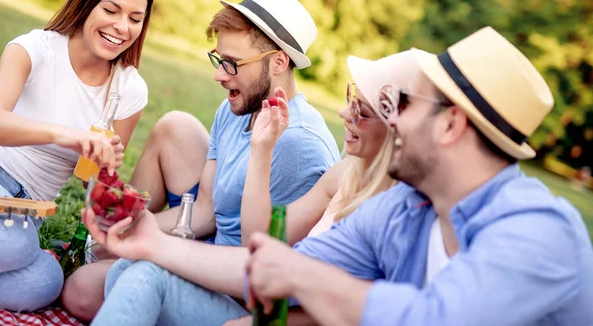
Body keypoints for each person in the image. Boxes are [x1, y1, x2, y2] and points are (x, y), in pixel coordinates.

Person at [243, 27, 593, 326]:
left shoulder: (540, 231)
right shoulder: (411, 205)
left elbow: (432, 319)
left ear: (451, 124)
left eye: (408, 105)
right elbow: (270, 265)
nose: (393, 120)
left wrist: (299, 275)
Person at [63, 0, 341, 321]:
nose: (218, 75)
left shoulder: (301, 145)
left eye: (233, 63)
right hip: (209, 252)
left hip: (238, 293)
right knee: (82, 286)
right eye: (219, 60)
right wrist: (132, 227)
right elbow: (208, 208)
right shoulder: (236, 108)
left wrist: (170, 256)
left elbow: (266, 271)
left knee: (91, 289)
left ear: (279, 62)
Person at [81, 50, 418, 326]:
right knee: (126, 271)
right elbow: (258, 247)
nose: (345, 112)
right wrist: (261, 150)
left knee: (144, 277)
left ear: (398, 129)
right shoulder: (347, 174)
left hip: (269, 314)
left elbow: (349, 307)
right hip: (262, 303)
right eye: (350, 97)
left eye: (361, 110)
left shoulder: (397, 210)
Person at [0, 0, 153, 312]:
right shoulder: (35, 49)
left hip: (27, 214)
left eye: (135, 19)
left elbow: (91, 184)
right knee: (17, 249)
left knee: (45, 282)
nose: (121, 26)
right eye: (111, 10)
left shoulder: (129, 90)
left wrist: (105, 170)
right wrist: (65, 135)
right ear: (86, 2)